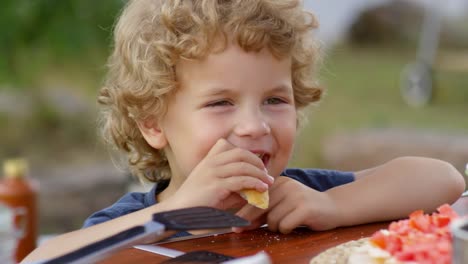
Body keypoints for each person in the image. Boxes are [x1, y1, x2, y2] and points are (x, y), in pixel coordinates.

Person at [23, 0, 465, 262]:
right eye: (220, 103)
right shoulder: (134, 223)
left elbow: (442, 179)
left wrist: (331, 205)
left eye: (275, 100)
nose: (255, 126)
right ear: (154, 124)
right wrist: (175, 212)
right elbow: (43, 258)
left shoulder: (297, 198)